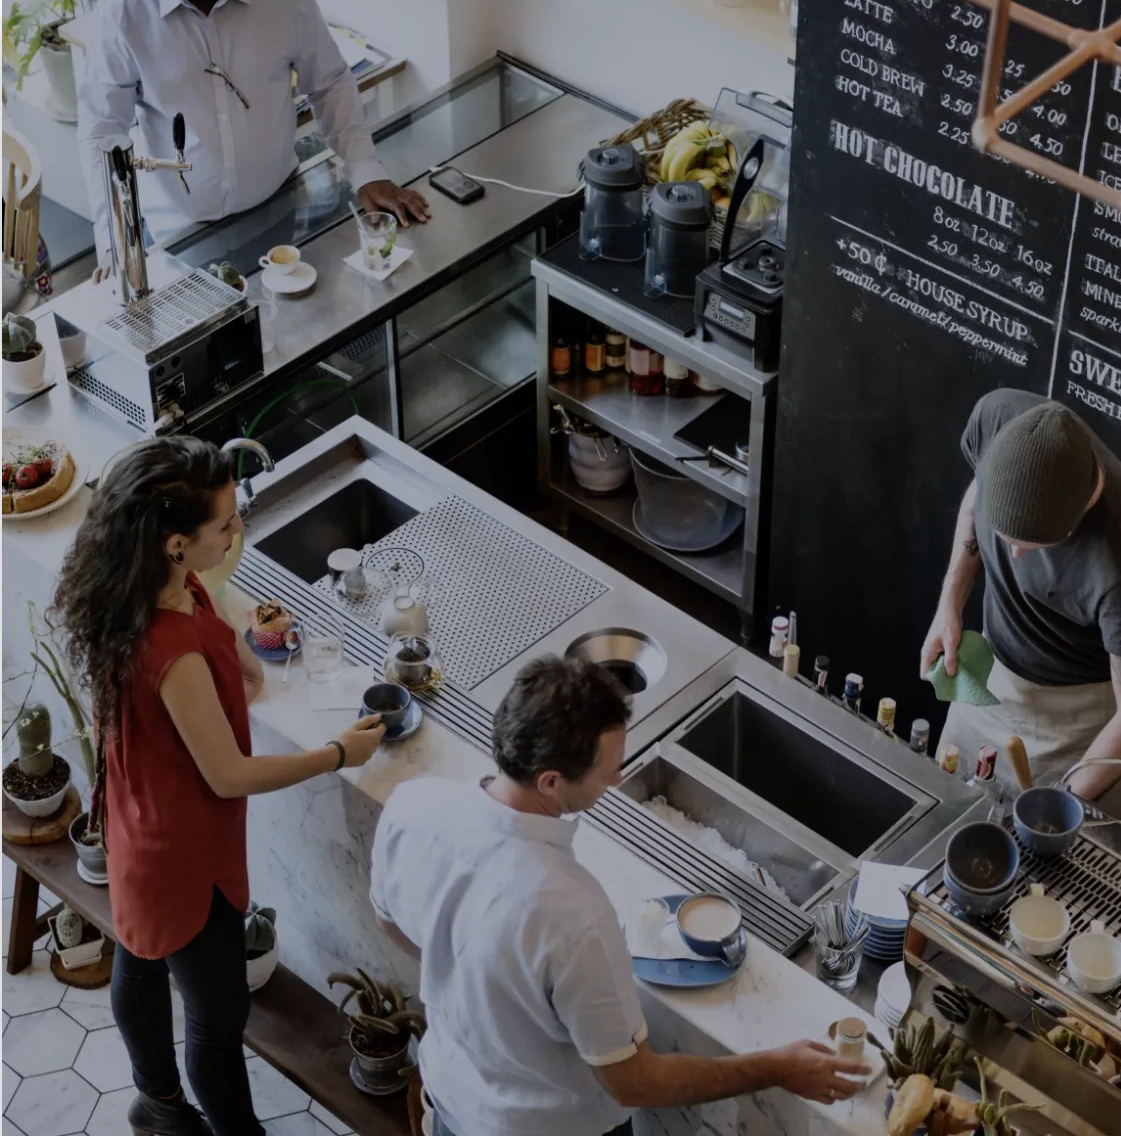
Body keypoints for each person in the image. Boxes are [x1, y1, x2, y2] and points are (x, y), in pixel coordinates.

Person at [370, 656, 869, 1136]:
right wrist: (777, 1067)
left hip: (450, 1103)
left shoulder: (414, 805)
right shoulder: (573, 914)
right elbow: (634, 1082)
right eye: (609, 769)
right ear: (550, 781)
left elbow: (389, 921)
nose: (619, 778)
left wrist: (477, 981)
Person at [49, 436, 385, 1136]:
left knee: (142, 960)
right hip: (181, 854)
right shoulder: (169, 653)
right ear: (175, 541)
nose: (238, 532)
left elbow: (228, 652)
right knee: (216, 1019)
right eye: (226, 524)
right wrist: (335, 753)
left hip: (140, 817)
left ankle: (156, 1104)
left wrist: (242, 651)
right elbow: (228, 774)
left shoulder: (153, 586)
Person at [78, 0, 430, 281]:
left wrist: (366, 168)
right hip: (177, 240)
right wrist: (115, 241)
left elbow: (330, 81)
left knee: (291, 339)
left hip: (278, 211)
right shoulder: (121, 12)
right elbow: (102, 129)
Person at [920, 391, 1121, 812]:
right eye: (1005, 539)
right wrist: (950, 604)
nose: (1013, 558)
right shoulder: (996, 419)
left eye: (1030, 546)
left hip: (1075, 725)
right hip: (988, 681)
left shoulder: (1115, 559)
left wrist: (1067, 804)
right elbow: (976, 499)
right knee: (946, 818)